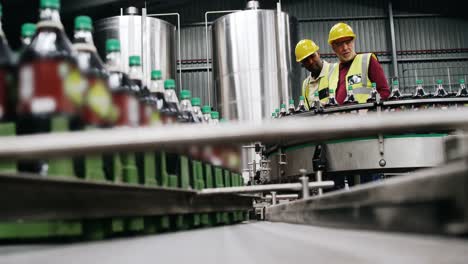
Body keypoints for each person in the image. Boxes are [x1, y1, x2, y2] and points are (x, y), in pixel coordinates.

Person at [327, 22, 390, 104]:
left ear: (353, 42)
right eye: (339, 44)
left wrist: (369, 110)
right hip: (340, 116)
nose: (345, 48)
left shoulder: (367, 60)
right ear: (333, 48)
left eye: (348, 42)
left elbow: (384, 92)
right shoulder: (332, 71)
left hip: (365, 116)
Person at [295, 39, 335, 109]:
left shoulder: (334, 70)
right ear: (302, 63)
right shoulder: (305, 84)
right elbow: (306, 109)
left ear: (318, 54)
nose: (310, 61)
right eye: (305, 60)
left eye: (312, 56)